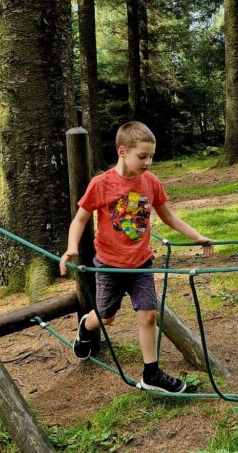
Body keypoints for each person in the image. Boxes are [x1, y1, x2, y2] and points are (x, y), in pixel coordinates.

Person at [59, 121, 213, 393]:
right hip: (109, 266)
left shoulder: (150, 182)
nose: (148, 162)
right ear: (122, 151)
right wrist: (72, 247)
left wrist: (197, 236)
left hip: (141, 263)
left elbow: (168, 216)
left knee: (148, 315)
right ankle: (86, 326)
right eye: (142, 156)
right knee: (106, 317)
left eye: (151, 156)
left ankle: (151, 373)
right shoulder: (101, 184)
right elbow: (80, 219)